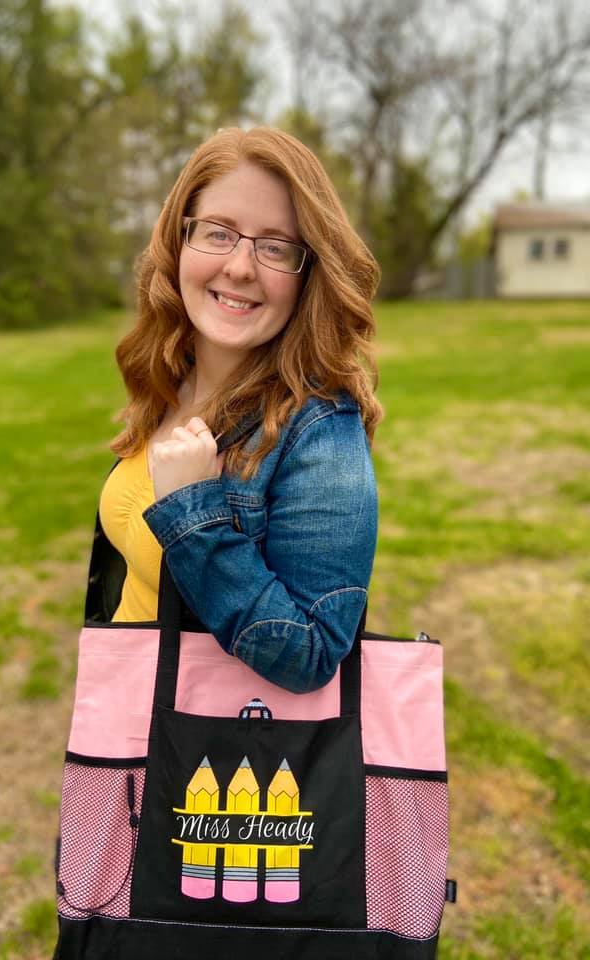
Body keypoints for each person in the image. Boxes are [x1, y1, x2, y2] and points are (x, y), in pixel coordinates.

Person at [98, 125, 381, 693]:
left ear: (309, 275)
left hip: (213, 763)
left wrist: (193, 514)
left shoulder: (321, 430)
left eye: (276, 246)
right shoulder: (172, 382)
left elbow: (312, 653)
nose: (241, 267)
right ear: (180, 242)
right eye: (218, 233)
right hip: (123, 721)